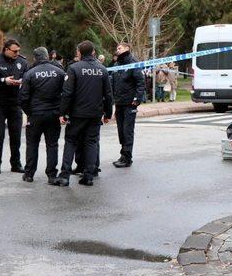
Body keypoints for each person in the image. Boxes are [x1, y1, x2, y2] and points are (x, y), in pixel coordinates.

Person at [54, 41, 113, 187]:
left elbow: (67, 93)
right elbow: (109, 94)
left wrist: (63, 112)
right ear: (93, 52)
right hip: (95, 114)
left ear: (79, 52)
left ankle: (64, 176)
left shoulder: (74, 68)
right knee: (91, 142)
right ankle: (88, 176)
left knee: (71, 141)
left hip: (77, 114)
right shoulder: (102, 69)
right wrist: (108, 114)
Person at [19, 47, 66, 184]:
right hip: (53, 113)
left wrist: (30, 112)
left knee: (32, 144)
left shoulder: (30, 74)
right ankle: (52, 175)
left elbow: (23, 98)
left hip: (36, 114)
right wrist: (61, 111)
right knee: (52, 144)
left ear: (35, 58)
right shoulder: (59, 72)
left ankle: (29, 174)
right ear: (48, 56)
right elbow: (66, 94)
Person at [0, 39, 28, 174]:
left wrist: (22, 81)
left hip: (15, 104)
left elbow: (28, 78)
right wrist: (3, 81)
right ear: (6, 49)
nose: (17, 53)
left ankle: (16, 164)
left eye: (18, 51)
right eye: (14, 51)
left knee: (16, 136)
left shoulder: (22, 62)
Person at [111, 42, 145, 168]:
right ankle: (123, 154)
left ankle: (127, 157)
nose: (117, 50)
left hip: (130, 103)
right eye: (117, 48)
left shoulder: (133, 62)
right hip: (119, 103)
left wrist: (137, 99)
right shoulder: (117, 64)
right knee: (121, 131)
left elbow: (140, 83)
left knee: (127, 131)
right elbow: (113, 82)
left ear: (127, 48)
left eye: (120, 48)